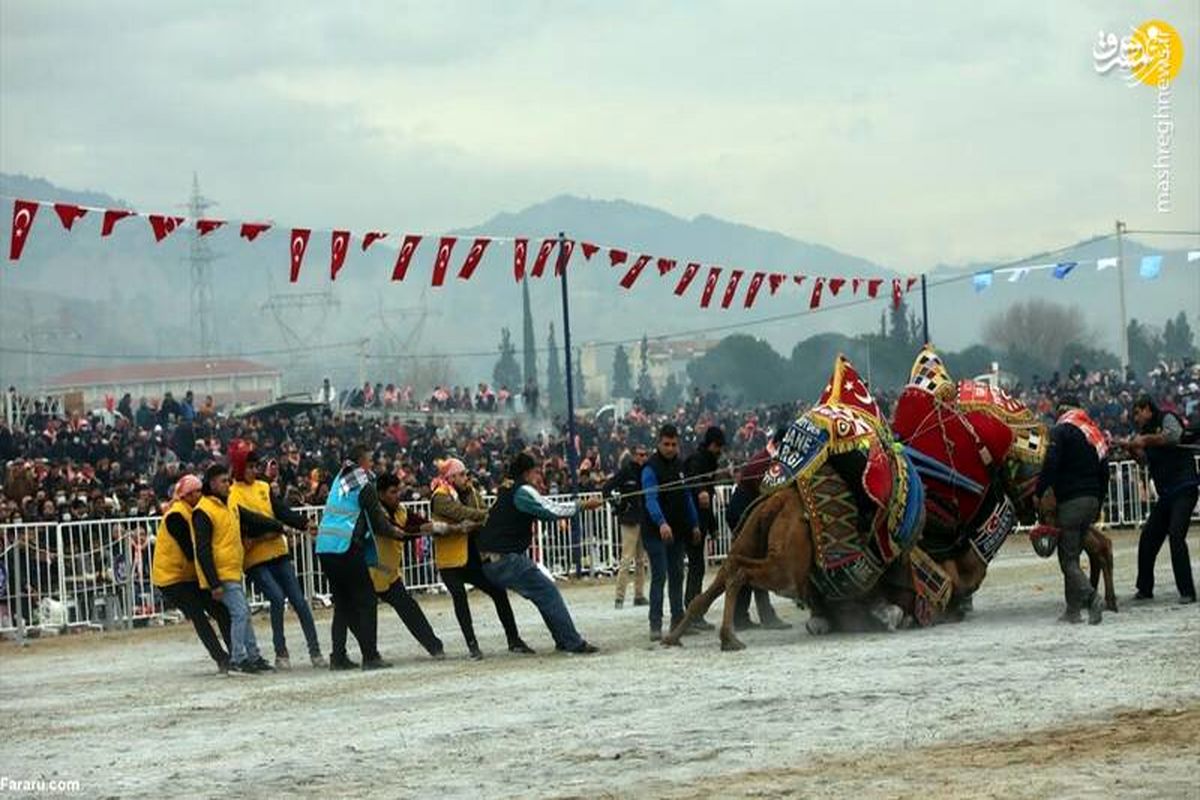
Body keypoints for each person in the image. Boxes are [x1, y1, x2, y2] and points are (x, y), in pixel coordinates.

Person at [475, 451, 602, 654]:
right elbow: (551, 509)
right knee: (548, 592)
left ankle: (564, 639)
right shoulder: (523, 491)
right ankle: (572, 642)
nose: (539, 476)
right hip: (504, 559)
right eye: (536, 472)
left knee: (543, 593)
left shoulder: (507, 487)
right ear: (527, 472)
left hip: (492, 559)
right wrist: (584, 505)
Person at [229, 444, 326, 669]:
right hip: (255, 559)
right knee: (275, 597)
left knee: (300, 602)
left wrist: (303, 523)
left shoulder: (263, 486)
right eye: (250, 466)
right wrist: (278, 528)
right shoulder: (233, 493)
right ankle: (281, 652)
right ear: (240, 468)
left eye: (255, 466)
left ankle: (315, 651)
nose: (254, 470)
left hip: (278, 551)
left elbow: (280, 509)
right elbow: (248, 520)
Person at [431, 458, 533, 659]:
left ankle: (513, 639)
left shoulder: (470, 493)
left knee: (498, 592)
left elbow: (475, 515)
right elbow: (460, 513)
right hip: (450, 561)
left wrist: (479, 513)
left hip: (470, 557)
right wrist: (485, 514)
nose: (466, 477)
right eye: (461, 474)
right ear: (450, 477)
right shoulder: (440, 496)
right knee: (460, 599)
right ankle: (472, 646)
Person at [315, 444, 404, 671]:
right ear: (362, 462)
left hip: (325, 546)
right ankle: (371, 656)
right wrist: (395, 532)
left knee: (343, 603)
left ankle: (338, 656)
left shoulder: (340, 479)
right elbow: (377, 520)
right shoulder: (364, 484)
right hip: (345, 546)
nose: (372, 464)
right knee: (366, 600)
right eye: (370, 460)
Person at [192, 463, 284, 674]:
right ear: (212, 483)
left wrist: (277, 525)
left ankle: (252, 657)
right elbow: (203, 550)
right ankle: (238, 659)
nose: (228, 485)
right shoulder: (203, 510)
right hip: (221, 572)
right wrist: (214, 582)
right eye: (224, 481)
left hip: (232, 569)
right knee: (241, 613)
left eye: (229, 480)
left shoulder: (229, 503)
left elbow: (251, 517)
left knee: (243, 613)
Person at [1034, 397, 1108, 624]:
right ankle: (1072, 610)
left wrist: (1040, 490)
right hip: (1092, 500)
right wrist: (1099, 500)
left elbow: (1051, 464)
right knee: (1073, 553)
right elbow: (1104, 470)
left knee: (1068, 560)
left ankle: (1092, 597)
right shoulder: (1093, 432)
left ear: (1061, 411)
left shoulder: (1060, 431)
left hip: (1071, 502)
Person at [151, 474, 231, 673]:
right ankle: (221, 659)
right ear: (185, 496)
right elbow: (190, 550)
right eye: (194, 492)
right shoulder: (176, 516)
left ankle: (235, 653)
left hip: (189, 575)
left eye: (199, 490)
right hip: (171, 578)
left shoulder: (193, 512)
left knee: (219, 611)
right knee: (199, 615)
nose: (199, 494)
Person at [1122, 395, 1198, 603]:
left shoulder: (1166, 418)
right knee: (1148, 538)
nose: (1136, 419)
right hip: (1167, 495)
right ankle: (1145, 589)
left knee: (1176, 536)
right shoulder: (1143, 433)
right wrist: (1132, 451)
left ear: (1147, 409)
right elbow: (1145, 461)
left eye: (1137, 413)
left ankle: (1187, 592)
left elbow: (1174, 436)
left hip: (1184, 488)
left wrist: (1144, 441)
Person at [371, 472, 453, 659]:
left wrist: (436, 527)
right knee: (360, 616)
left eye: (398, 491)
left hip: (388, 575)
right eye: (393, 492)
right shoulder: (376, 512)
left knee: (409, 609)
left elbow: (419, 523)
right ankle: (360, 655)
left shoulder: (401, 510)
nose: (397, 495)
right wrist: (423, 530)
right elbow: (399, 532)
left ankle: (434, 647)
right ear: (381, 494)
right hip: (366, 573)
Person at [724, 431, 789, 631]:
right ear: (779, 443)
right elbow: (767, 494)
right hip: (742, 514)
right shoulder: (764, 463)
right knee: (754, 562)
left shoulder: (767, 459)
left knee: (753, 563)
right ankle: (761, 615)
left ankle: (745, 616)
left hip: (747, 512)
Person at [641, 424, 700, 641]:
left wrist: (694, 524)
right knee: (660, 575)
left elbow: (686, 497)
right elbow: (650, 499)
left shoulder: (680, 466)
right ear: (659, 443)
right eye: (666, 444)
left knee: (677, 575)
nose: (670, 448)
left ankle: (678, 621)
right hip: (655, 531)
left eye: (674, 444)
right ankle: (655, 624)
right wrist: (661, 522)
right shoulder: (650, 468)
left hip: (677, 531)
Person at [682, 426, 725, 631]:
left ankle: (694, 612)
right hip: (692, 523)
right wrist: (700, 491)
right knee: (696, 568)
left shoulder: (710, 462)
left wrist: (713, 526)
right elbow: (695, 484)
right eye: (718, 446)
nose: (720, 451)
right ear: (711, 444)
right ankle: (692, 612)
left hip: (701, 521)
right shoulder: (698, 460)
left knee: (698, 568)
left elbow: (709, 497)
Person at [602, 447, 649, 610]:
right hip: (629, 519)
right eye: (641, 455)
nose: (644, 458)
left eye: (645, 455)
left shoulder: (646, 471)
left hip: (642, 518)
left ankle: (639, 595)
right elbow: (606, 488)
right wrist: (618, 506)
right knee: (626, 559)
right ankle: (619, 597)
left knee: (641, 560)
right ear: (635, 456)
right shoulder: (626, 471)